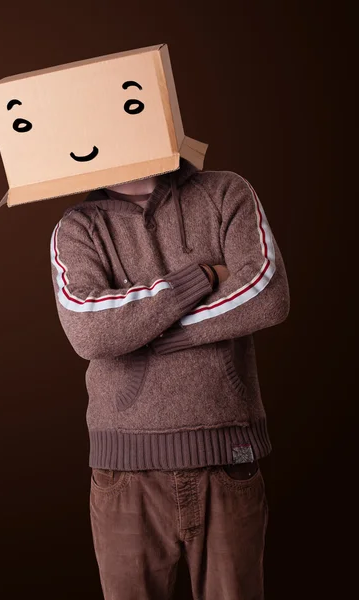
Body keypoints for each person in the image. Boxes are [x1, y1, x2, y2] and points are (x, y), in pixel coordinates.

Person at [50, 157, 290, 599]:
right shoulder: (78, 226)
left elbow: (268, 294)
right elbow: (88, 331)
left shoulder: (226, 192)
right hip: (125, 472)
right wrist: (201, 277)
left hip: (227, 458)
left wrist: (149, 331)